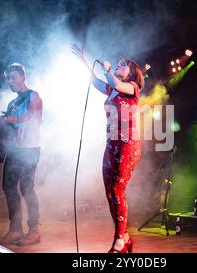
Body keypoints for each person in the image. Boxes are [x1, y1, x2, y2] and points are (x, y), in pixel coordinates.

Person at [72, 44, 144, 253]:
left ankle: (119, 240)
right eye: (118, 65)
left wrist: (107, 69)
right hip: (111, 143)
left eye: (123, 65)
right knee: (109, 191)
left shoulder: (132, 88)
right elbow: (95, 82)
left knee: (116, 189)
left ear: (131, 73)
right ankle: (124, 236)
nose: (119, 66)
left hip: (128, 144)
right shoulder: (113, 89)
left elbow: (113, 81)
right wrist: (83, 61)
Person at [0, 63, 43, 246]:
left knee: (27, 188)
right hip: (14, 149)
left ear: (23, 77)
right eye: (7, 78)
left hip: (30, 149)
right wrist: (1, 125)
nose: (10, 81)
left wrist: (13, 119)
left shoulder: (33, 95)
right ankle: (15, 229)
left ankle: (34, 230)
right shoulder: (11, 103)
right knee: (9, 187)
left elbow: (33, 115)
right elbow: (11, 126)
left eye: (13, 77)